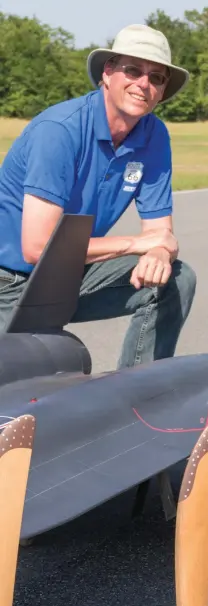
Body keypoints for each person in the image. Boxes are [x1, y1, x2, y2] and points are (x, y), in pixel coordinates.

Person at [0, 24, 197, 369]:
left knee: (174, 279)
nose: (143, 84)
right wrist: (139, 244)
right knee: (22, 384)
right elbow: (36, 248)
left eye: (157, 77)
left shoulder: (154, 135)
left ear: (163, 90)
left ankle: (138, 396)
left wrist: (161, 253)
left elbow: (160, 234)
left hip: (64, 275)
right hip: (8, 281)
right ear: (107, 73)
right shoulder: (59, 131)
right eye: (133, 70)